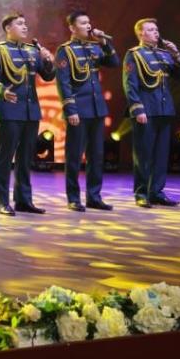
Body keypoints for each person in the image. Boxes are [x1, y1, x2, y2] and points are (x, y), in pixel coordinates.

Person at [0, 12, 56, 216]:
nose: (25, 27)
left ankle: (24, 200)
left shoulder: (32, 51)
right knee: (5, 158)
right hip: (9, 110)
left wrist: (48, 60)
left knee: (25, 159)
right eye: (19, 23)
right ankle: (2, 202)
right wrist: (1, 91)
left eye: (25, 23)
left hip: (30, 111)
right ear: (8, 28)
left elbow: (48, 76)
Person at [54, 11, 119, 211]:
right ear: (72, 28)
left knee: (96, 156)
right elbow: (63, 83)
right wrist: (70, 109)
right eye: (83, 23)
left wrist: (104, 43)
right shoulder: (65, 51)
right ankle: (73, 198)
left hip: (97, 108)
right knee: (74, 156)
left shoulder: (95, 47)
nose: (88, 26)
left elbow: (114, 63)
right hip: (79, 110)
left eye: (89, 22)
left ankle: (94, 196)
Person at [122, 18, 180, 208]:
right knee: (143, 155)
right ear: (140, 33)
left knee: (161, 155)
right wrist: (137, 108)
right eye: (150, 29)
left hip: (164, 110)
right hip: (146, 110)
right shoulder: (134, 54)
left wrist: (177, 56)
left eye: (156, 29)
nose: (156, 32)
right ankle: (141, 193)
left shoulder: (164, 54)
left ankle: (157, 192)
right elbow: (130, 84)